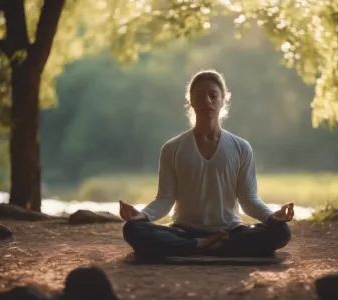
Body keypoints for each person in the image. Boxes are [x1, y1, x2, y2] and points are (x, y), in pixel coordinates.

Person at [120, 69, 295, 258]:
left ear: (223, 100)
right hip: (183, 230)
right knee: (133, 229)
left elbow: (248, 199)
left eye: (213, 95)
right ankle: (202, 244)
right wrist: (142, 216)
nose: (207, 101)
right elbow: (165, 199)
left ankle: (202, 246)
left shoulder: (241, 148)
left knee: (281, 231)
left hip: (230, 231)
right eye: (200, 96)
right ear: (191, 102)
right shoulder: (172, 148)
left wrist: (272, 217)